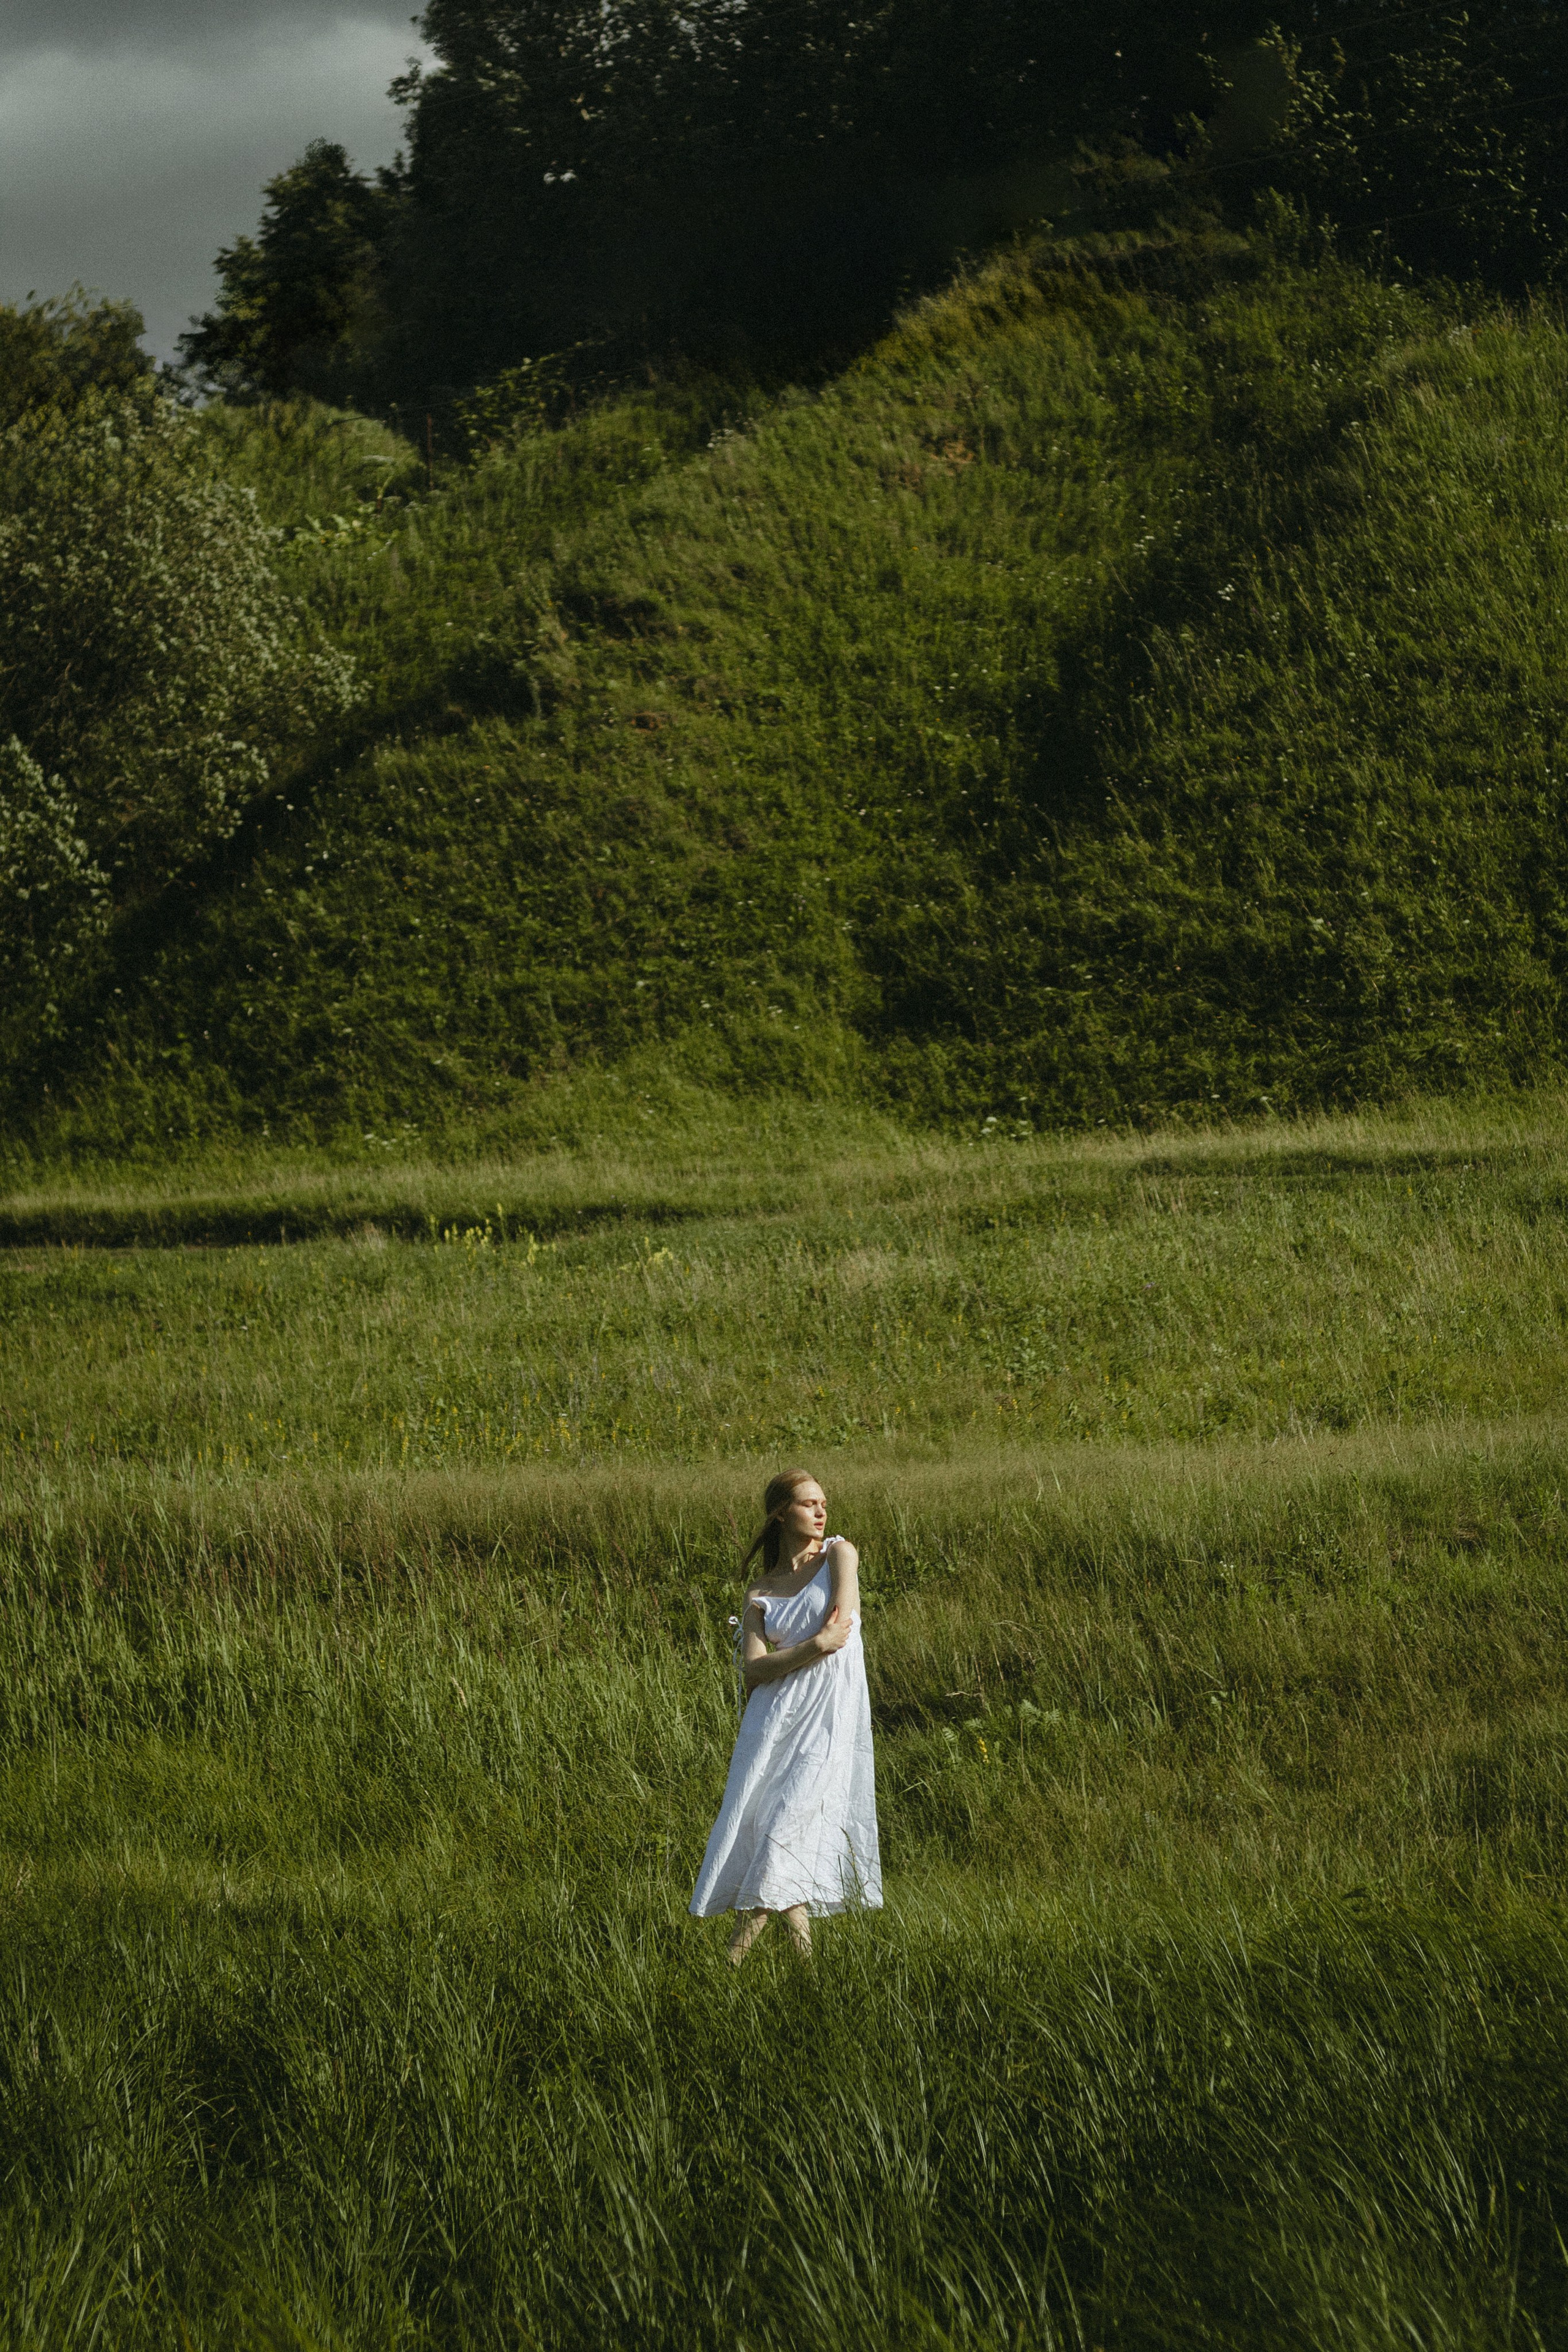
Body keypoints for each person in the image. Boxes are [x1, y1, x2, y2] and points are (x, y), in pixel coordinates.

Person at [690, 1468, 883, 1962]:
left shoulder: (840, 1554)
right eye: (808, 1504)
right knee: (775, 1832)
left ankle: (729, 1963)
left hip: (825, 1719)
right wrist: (813, 1644)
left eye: (824, 1502)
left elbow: (839, 1636)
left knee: (780, 1833)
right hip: (771, 1723)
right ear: (781, 1514)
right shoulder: (760, 1590)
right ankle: (807, 1971)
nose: (821, 1512)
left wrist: (810, 1647)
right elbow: (753, 1670)